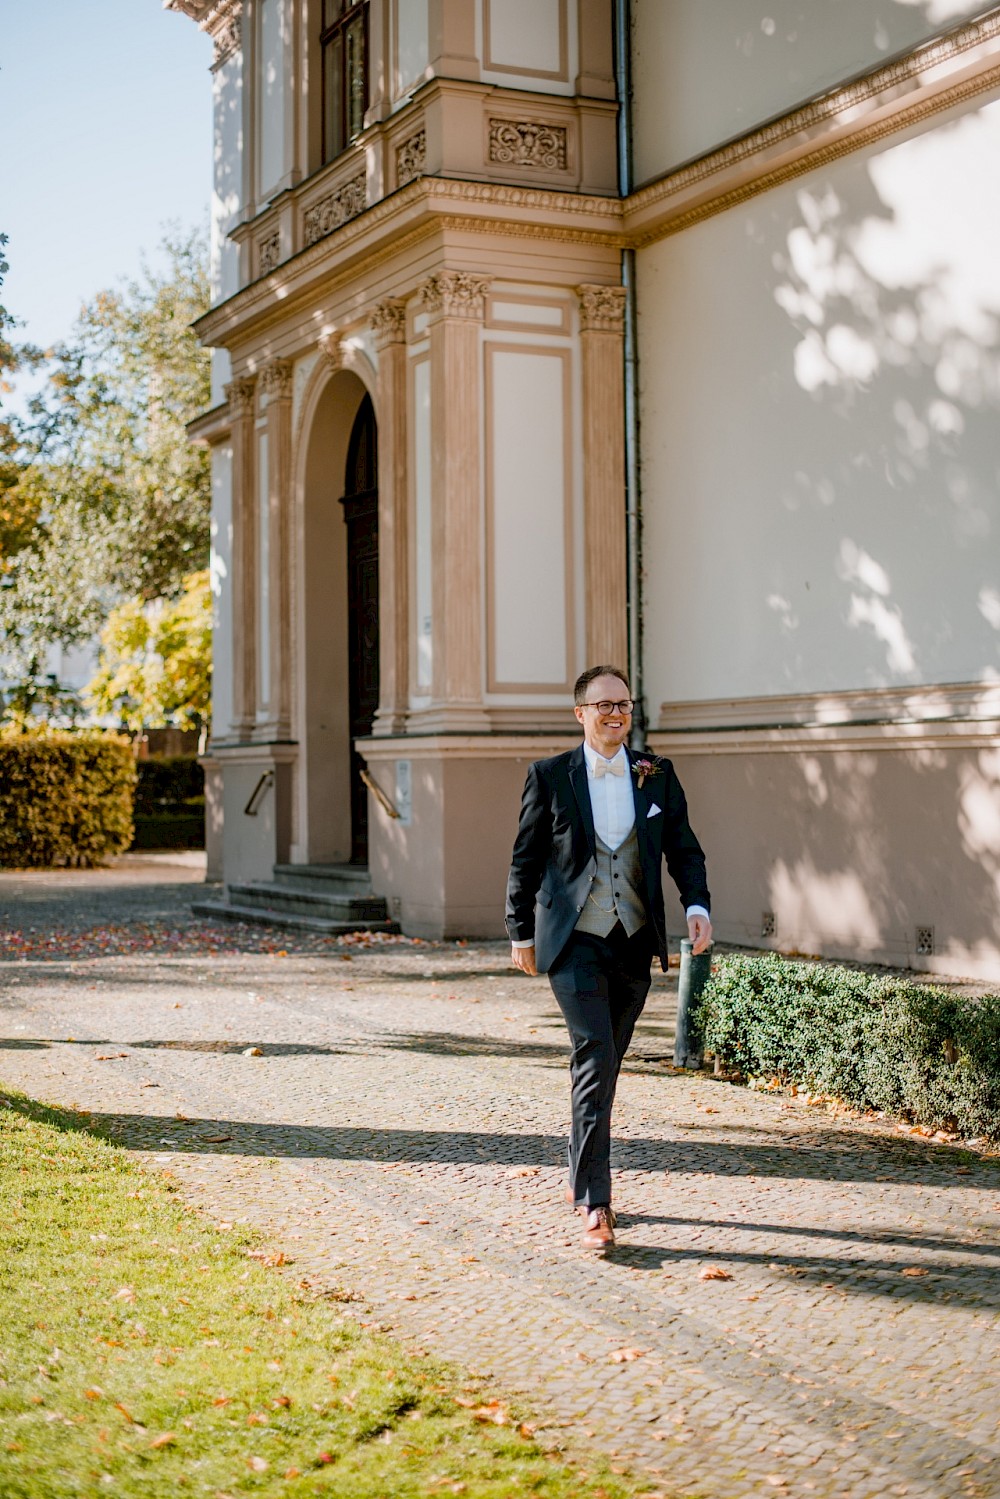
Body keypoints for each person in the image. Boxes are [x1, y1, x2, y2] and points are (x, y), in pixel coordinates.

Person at [505, 665, 711, 1252]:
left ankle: (579, 1168)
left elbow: (684, 849)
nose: (615, 713)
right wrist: (520, 932)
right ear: (581, 714)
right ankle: (597, 1203)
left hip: (633, 942)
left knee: (603, 1065)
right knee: (595, 1056)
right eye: (602, 705)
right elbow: (525, 860)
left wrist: (696, 904)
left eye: (623, 704)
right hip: (574, 941)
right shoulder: (549, 777)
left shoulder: (656, 774)